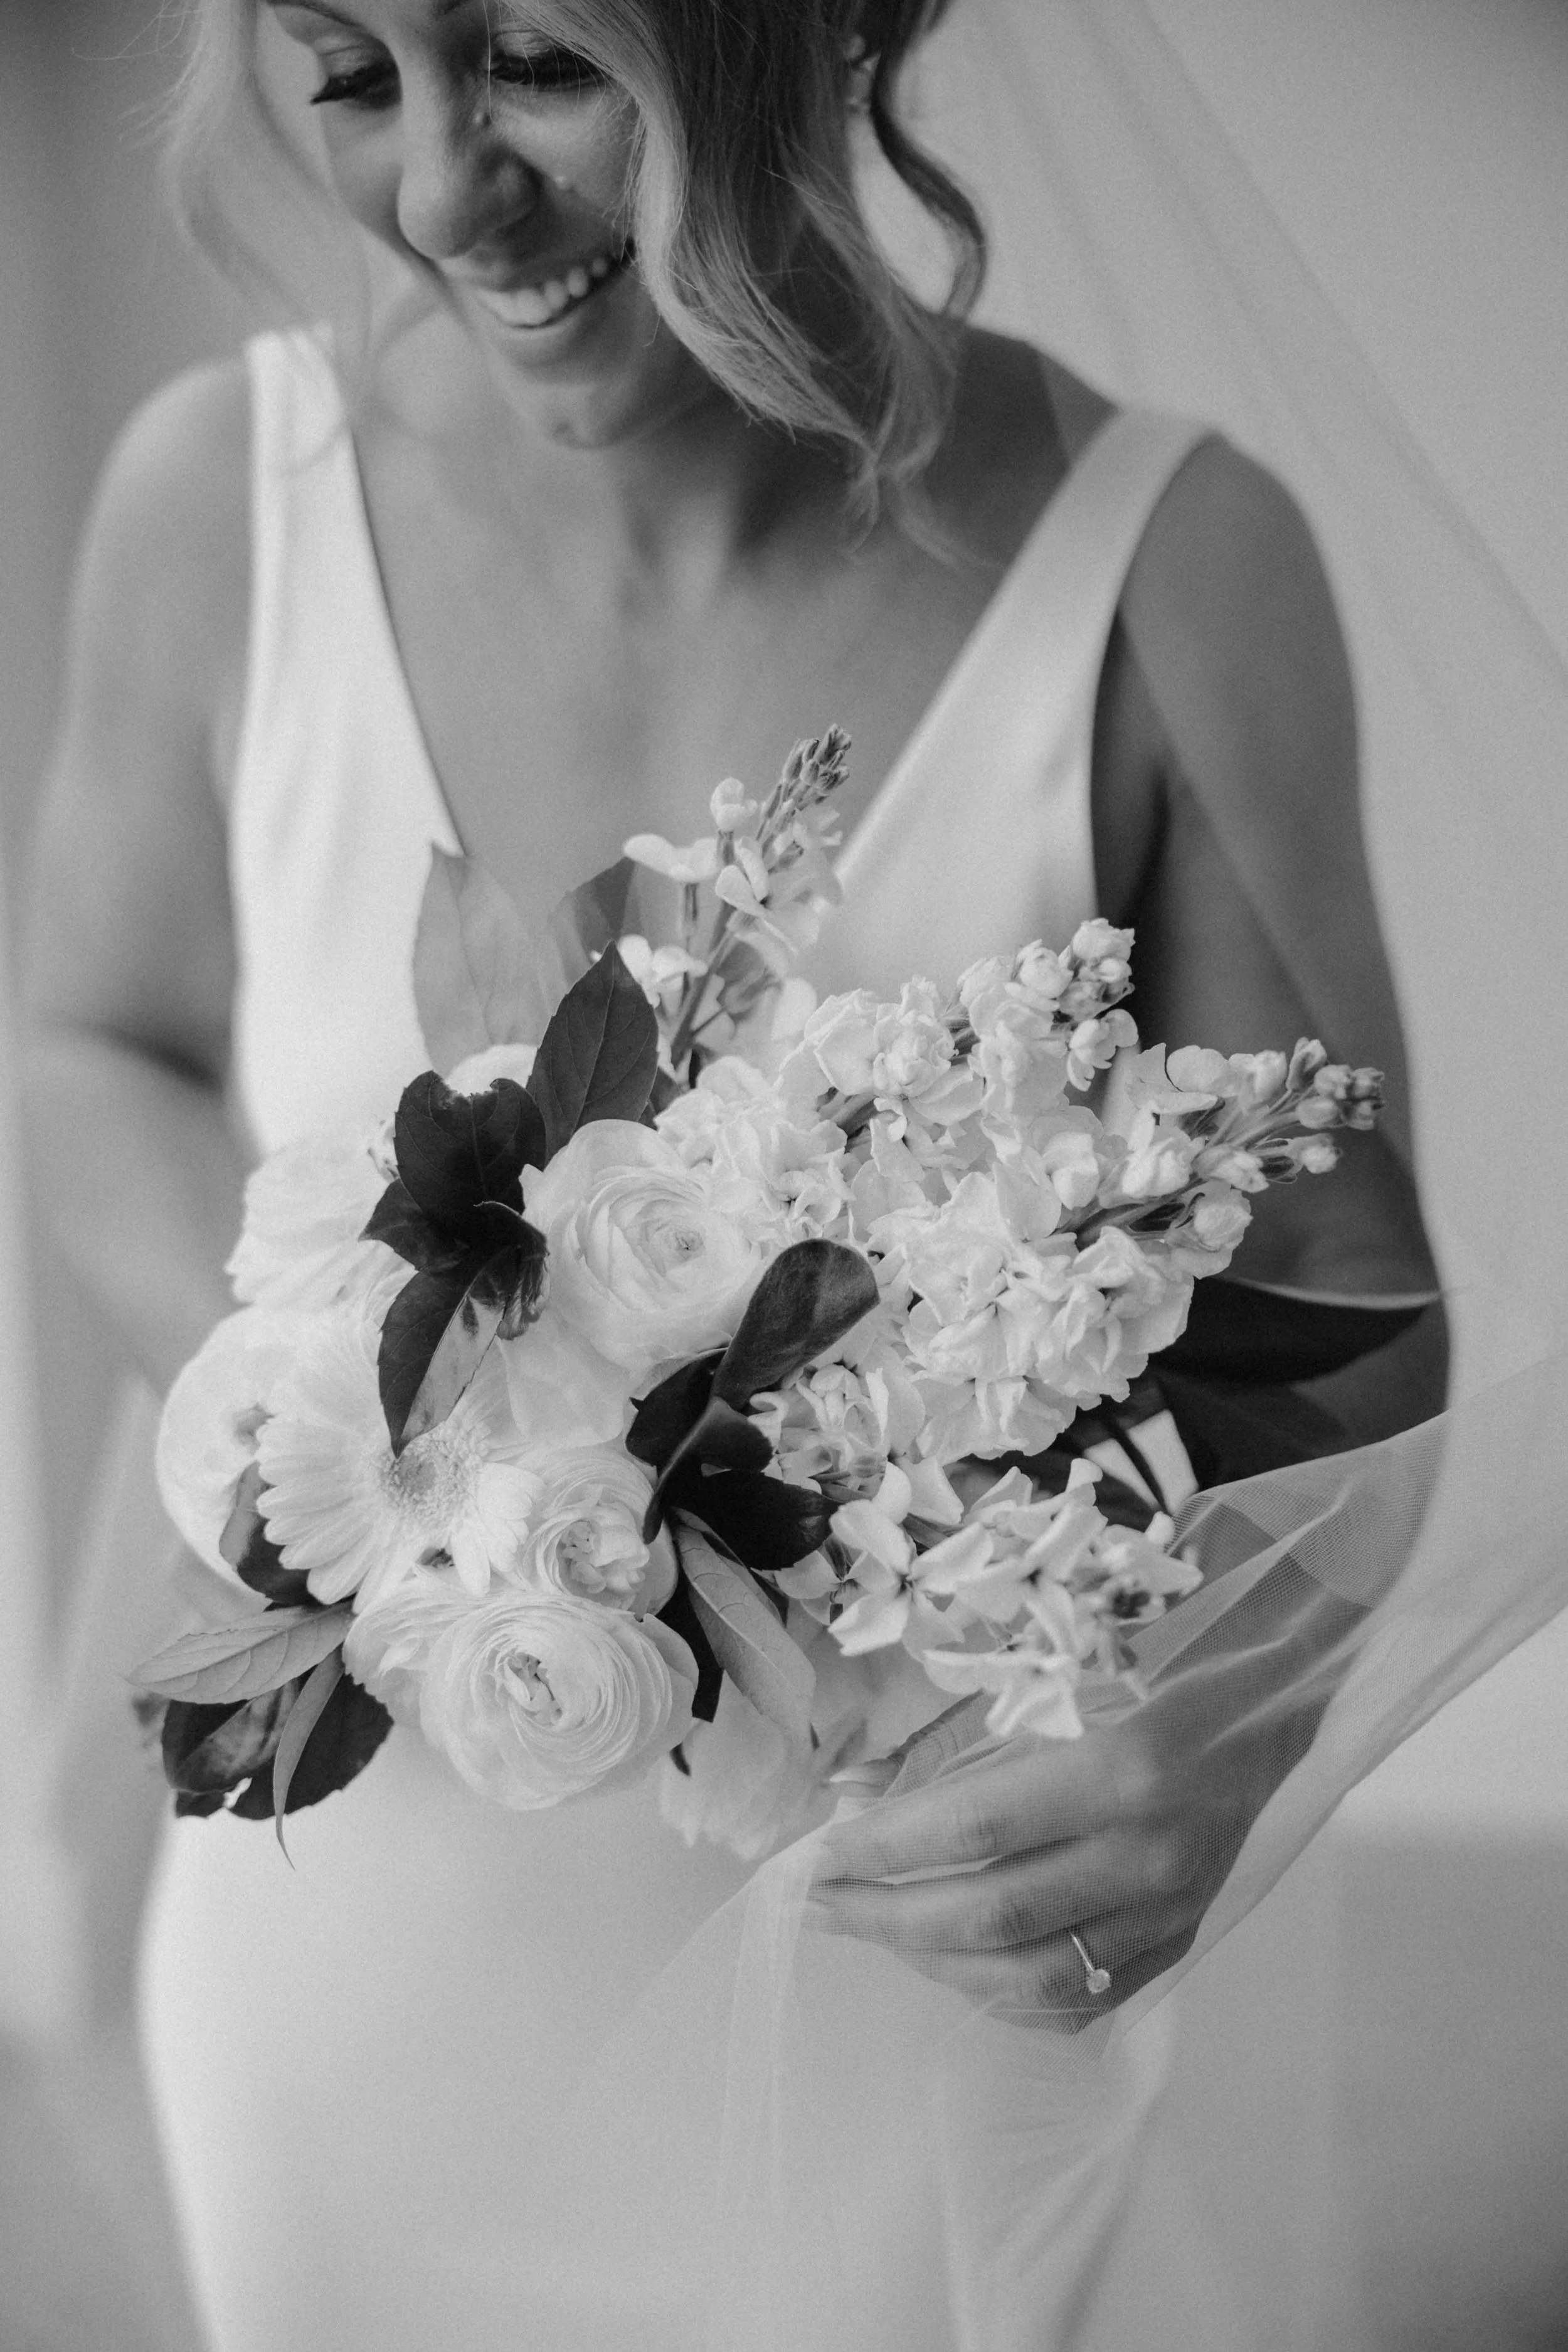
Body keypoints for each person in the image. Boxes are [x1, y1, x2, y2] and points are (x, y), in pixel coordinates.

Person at [21, 1, 1534, 2345]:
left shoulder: (1167, 564)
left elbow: (1340, 1286)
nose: (439, 193)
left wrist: (1229, 1718)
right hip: (351, 1970)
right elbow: (86, 1038)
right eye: (348, 75)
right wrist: (347, 1421)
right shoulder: (216, 501)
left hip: (905, 1953)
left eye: (536, 58)